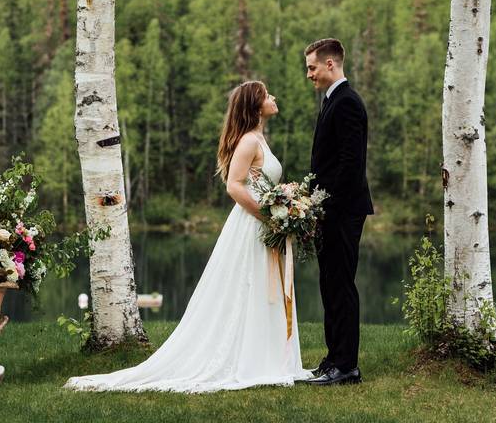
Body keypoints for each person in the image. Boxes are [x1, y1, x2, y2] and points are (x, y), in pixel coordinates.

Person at [64, 81, 311, 393]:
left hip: (263, 224)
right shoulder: (249, 141)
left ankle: (267, 355)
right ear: (255, 105)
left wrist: (284, 201)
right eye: (267, 95)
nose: (274, 97)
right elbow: (234, 186)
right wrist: (268, 215)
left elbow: (258, 183)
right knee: (250, 286)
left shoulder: (260, 138)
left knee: (262, 290)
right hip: (252, 224)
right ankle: (249, 359)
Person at [302, 38, 373, 386]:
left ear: (331, 64)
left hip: (342, 212)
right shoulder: (332, 101)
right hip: (330, 211)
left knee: (341, 285)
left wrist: (325, 207)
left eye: (312, 67)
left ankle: (347, 367)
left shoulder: (348, 103)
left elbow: (350, 165)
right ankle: (333, 359)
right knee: (329, 284)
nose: (309, 74)